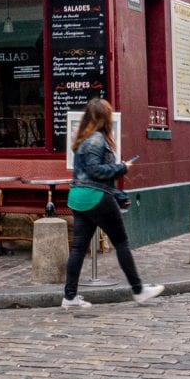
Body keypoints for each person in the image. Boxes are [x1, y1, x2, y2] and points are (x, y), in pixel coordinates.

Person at [60, 98, 163, 308]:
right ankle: (138, 290)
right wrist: (122, 167)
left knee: (79, 248)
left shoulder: (82, 139)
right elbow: (96, 171)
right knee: (121, 242)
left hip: (78, 196)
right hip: (96, 196)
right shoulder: (97, 140)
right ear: (103, 118)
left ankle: (69, 296)